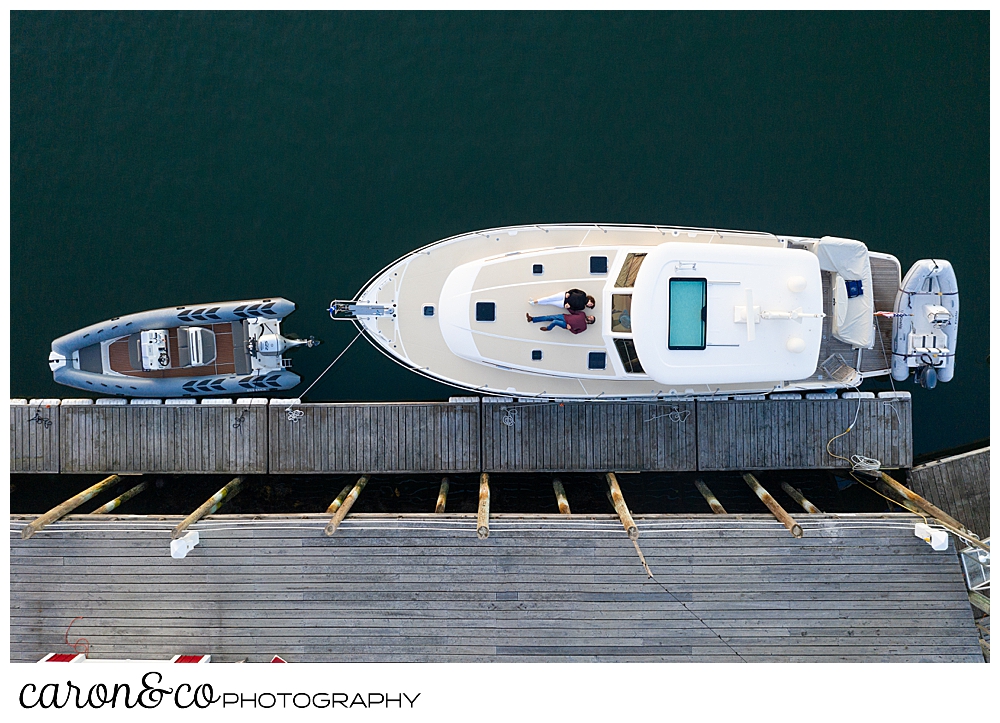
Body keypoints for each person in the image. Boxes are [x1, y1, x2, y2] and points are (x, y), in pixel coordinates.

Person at [526, 310, 596, 334]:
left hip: (566, 324)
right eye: (590, 316)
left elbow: (576, 332)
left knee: (555, 322)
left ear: (590, 322)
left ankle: (548, 328)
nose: (589, 317)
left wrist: (570, 328)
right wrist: (567, 307)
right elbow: (573, 312)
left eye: (591, 318)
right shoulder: (582, 314)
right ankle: (532, 319)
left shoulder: (584, 327)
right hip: (564, 317)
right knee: (548, 317)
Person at [529, 289, 595, 312]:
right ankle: (535, 301)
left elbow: (574, 309)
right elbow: (574, 290)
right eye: (591, 303)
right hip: (563, 295)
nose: (589, 304)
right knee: (549, 298)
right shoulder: (583, 294)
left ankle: (536, 303)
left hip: (563, 303)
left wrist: (568, 307)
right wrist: (568, 293)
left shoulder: (582, 307)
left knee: (550, 302)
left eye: (590, 306)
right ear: (590, 299)